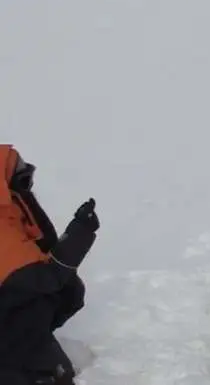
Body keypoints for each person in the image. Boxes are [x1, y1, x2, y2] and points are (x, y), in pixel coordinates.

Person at [0, 144, 100, 385]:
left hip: (15, 323)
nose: (28, 188)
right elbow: (42, 277)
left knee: (63, 291)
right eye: (22, 181)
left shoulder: (10, 218)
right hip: (13, 335)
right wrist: (80, 233)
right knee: (42, 296)